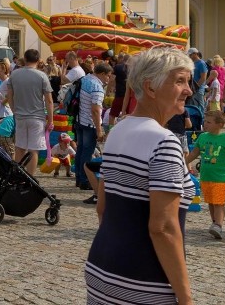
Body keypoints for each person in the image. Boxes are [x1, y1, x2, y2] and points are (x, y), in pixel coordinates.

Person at [85, 46, 194, 305]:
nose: (188, 90)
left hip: (103, 268)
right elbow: (163, 227)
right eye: (180, 81)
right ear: (151, 88)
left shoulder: (118, 131)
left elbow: (103, 208)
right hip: (144, 280)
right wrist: (186, 298)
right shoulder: (164, 142)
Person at [185, 110, 225, 239]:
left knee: (218, 202)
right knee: (210, 202)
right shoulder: (203, 137)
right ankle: (214, 224)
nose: (205, 124)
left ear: (220, 124)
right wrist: (182, 163)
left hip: (221, 177)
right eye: (205, 121)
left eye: (209, 122)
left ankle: (218, 226)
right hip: (206, 176)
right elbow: (194, 153)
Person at [6, 49, 54, 176]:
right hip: (37, 117)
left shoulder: (14, 74)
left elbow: (9, 95)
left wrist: (14, 110)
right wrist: (51, 119)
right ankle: (31, 178)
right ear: (38, 61)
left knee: (20, 148)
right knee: (34, 150)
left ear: (25, 59)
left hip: (20, 116)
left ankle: (17, 175)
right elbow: (49, 101)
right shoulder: (42, 76)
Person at [75, 63, 111, 203]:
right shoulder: (97, 87)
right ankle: (85, 179)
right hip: (90, 123)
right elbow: (96, 110)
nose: (108, 79)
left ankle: (79, 177)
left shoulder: (85, 79)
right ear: (102, 74)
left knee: (80, 150)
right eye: (107, 76)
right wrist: (99, 129)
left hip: (79, 120)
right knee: (87, 152)